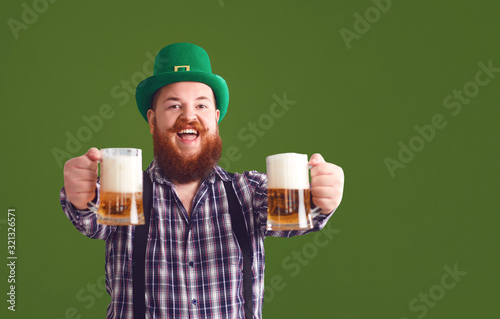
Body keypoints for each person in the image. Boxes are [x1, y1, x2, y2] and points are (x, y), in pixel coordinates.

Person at [60, 43, 344, 319]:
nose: (189, 116)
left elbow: (295, 218)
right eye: (173, 106)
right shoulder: (123, 191)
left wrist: (322, 201)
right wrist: (80, 195)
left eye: (202, 105)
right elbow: (90, 219)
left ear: (216, 118)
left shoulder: (248, 192)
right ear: (152, 120)